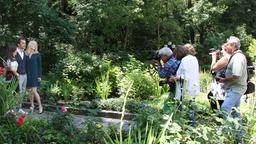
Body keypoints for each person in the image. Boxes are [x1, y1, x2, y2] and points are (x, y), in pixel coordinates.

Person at [218, 36, 247, 141]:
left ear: (234, 46)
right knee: (235, 112)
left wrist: (224, 80)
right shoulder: (235, 56)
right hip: (235, 87)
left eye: (228, 44)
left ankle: (227, 134)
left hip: (236, 88)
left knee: (225, 108)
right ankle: (240, 137)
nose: (226, 46)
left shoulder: (238, 57)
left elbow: (236, 75)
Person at [171, 44, 200, 127]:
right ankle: (191, 127)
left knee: (184, 109)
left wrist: (174, 78)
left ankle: (184, 127)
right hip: (193, 87)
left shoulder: (185, 60)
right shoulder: (194, 59)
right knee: (191, 109)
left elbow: (185, 77)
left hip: (185, 88)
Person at [208, 43, 232, 110]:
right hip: (226, 82)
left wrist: (214, 58)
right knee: (213, 96)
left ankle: (218, 115)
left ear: (226, 50)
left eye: (222, 50)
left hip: (221, 83)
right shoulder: (231, 57)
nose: (221, 51)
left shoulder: (226, 58)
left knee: (220, 99)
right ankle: (219, 115)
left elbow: (213, 69)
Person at [26, 40, 43, 114]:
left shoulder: (37, 54)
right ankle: (32, 106)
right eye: (32, 44)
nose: (34, 45)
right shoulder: (26, 54)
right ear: (29, 45)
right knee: (30, 92)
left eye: (35, 44)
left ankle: (40, 106)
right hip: (28, 75)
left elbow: (40, 66)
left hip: (35, 75)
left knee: (34, 91)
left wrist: (39, 76)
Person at [16, 37, 28, 114]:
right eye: (22, 43)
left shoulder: (24, 53)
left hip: (24, 75)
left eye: (25, 43)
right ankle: (14, 108)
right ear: (18, 44)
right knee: (18, 92)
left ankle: (19, 108)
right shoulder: (14, 52)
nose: (24, 45)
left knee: (23, 92)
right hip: (18, 75)